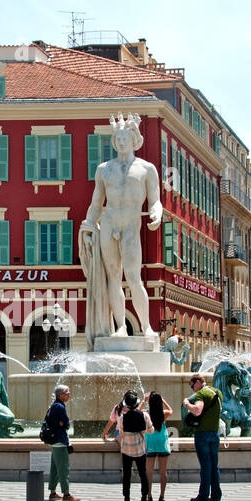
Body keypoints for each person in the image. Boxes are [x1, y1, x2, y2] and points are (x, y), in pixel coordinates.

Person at [78, 113, 163, 345]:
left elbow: (155, 199)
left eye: (125, 137)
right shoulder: (104, 169)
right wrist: (88, 229)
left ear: (134, 138)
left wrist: (157, 212)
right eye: (118, 137)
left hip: (130, 225)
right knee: (113, 277)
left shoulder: (147, 169)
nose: (121, 141)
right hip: (109, 223)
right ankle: (121, 327)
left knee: (134, 277)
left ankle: (146, 327)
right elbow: (96, 204)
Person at [184, 373, 222, 501]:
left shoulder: (201, 394)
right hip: (214, 433)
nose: (192, 389)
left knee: (205, 465)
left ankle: (203, 495)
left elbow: (197, 410)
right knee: (214, 465)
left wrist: (187, 403)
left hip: (203, 434)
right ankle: (216, 495)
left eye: (192, 385)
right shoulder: (217, 392)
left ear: (198, 382)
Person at [45, 384, 79, 501]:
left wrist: (62, 423)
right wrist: (64, 424)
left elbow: (59, 423)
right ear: (61, 395)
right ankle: (66, 494)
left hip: (54, 441)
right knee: (64, 469)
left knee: (54, 468)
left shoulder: (54, 406)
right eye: (67, 393)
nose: (69, 395)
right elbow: (66, 424)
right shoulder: (60, 407)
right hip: (60, 441)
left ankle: (53, 492)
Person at [116, 391, 151, 501]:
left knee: (126, 474)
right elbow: (151, 430)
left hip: (126, 449)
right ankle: (144, 497)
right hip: (140, 449)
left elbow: (121, 432)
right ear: (136, 403)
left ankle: (127, 498)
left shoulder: (122, 418)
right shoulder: (144, 415)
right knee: (142, 473)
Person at [144, 391, 172, 501]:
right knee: (163, 471)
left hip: (150, 442)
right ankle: (162, 495)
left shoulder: (146, 413)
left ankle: (149, 495)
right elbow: (171, 410)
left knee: (149, 471)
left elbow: (136, 410)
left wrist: (143, 400)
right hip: (162, 443)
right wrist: (163, 400)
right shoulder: (163, 414)